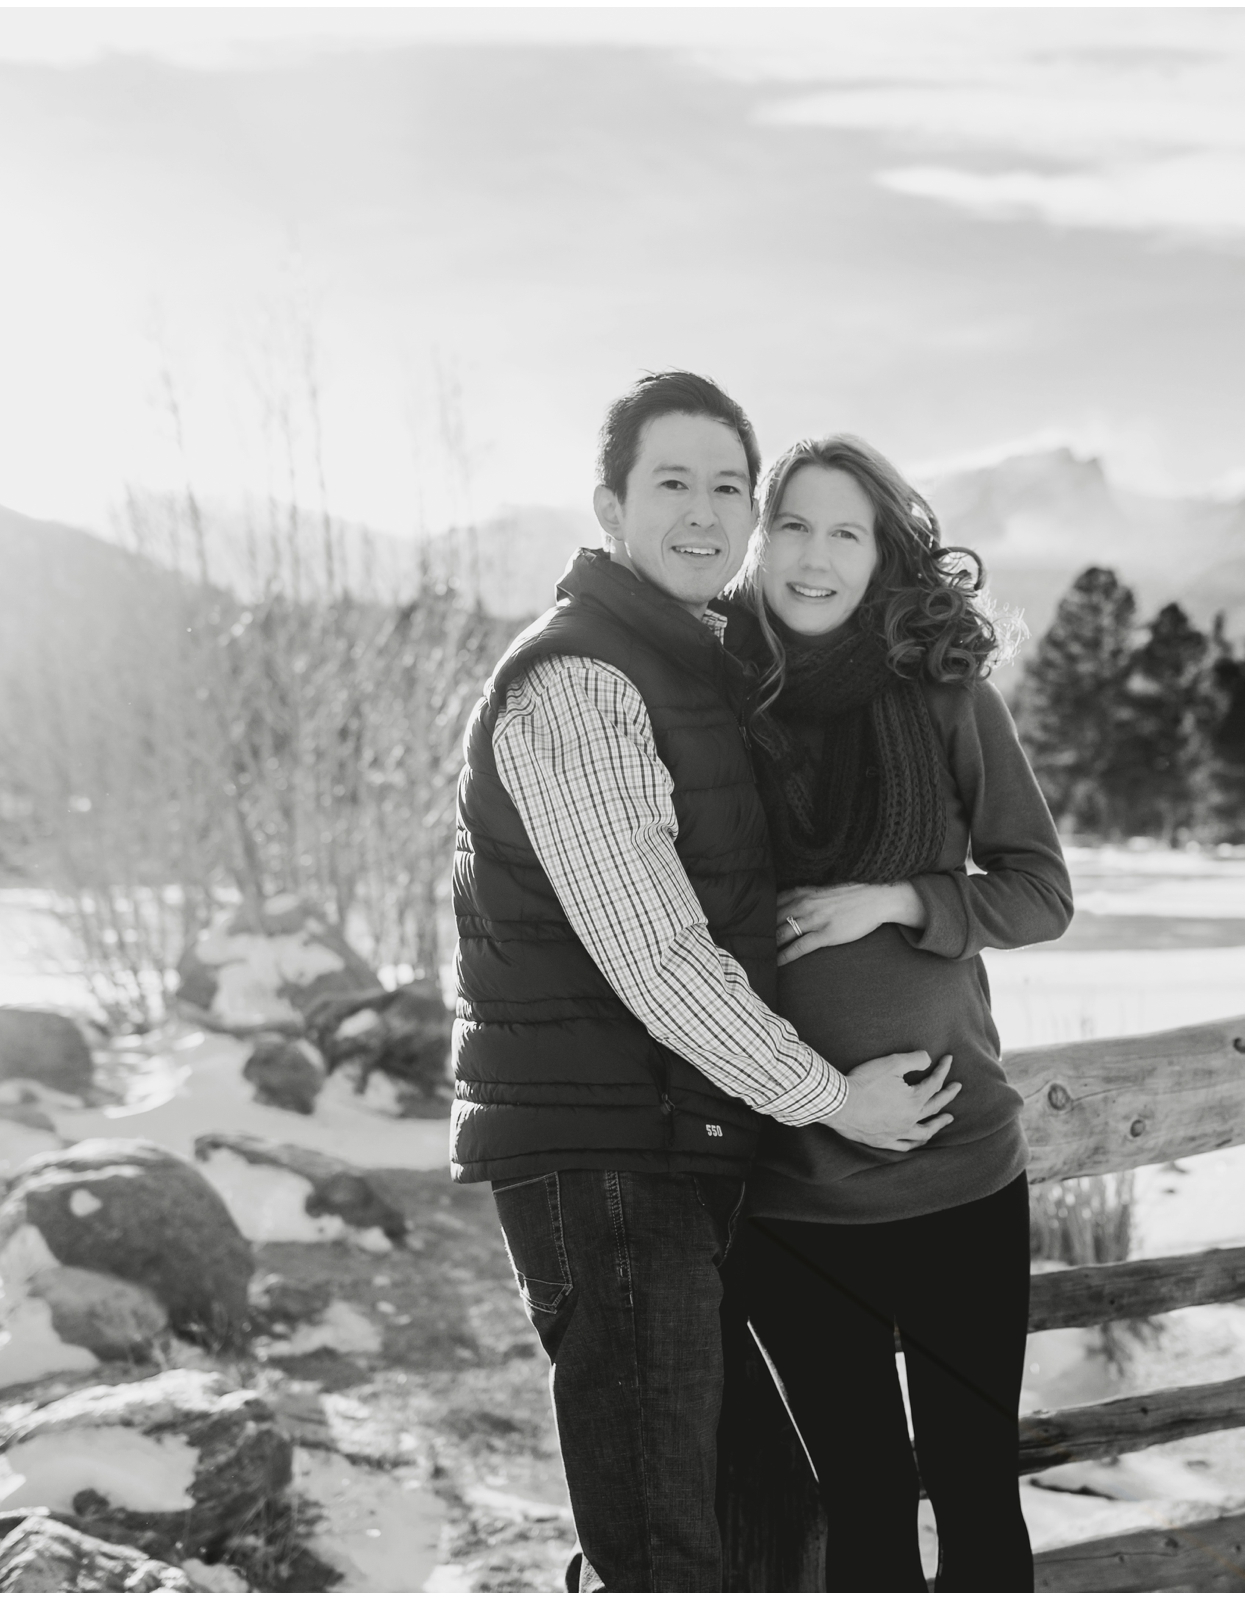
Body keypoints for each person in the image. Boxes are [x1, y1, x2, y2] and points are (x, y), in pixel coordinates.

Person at [447, 373, 963, 1592]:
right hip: (608, 1163)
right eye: (670, 482)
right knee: (672, 1553)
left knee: (767, 1530)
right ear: (611, 504)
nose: (703, 511)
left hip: (683, 1150)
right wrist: (833, 1097)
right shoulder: (580, 682)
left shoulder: (693, 663)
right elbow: (657, 958)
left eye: (728, 485)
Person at [715, 434, 1073, 1592]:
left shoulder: (944, 694)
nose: (815, 558)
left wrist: (898, 900)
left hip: (961, 1175)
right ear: (760, 541)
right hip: (796, 1194)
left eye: (846, 532)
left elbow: (1038, 892)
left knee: (976, 1492)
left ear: (883, 556)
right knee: (862, 1507)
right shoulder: (709, 697)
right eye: (795, 527)